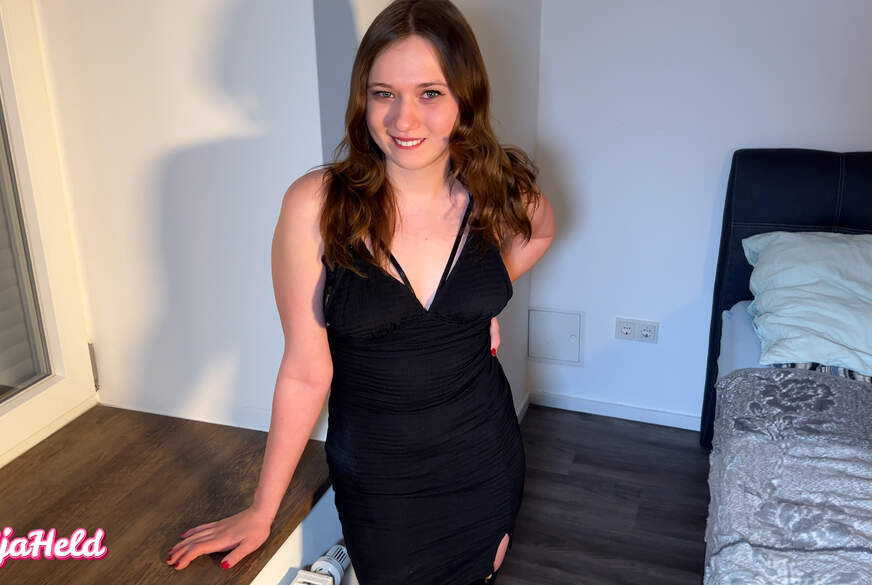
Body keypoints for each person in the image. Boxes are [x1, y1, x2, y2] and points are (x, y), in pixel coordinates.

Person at [166, 1, 555, 583]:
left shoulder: (497, 190)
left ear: (465, 98)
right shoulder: (317, 206)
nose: (403, 119)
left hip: (484, 455)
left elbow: (541, 231)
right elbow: (305, 372)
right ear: (362, 99)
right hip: (380, 478)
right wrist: (262, 510)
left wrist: (478, 297)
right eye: (383, 94)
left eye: (430, 93)